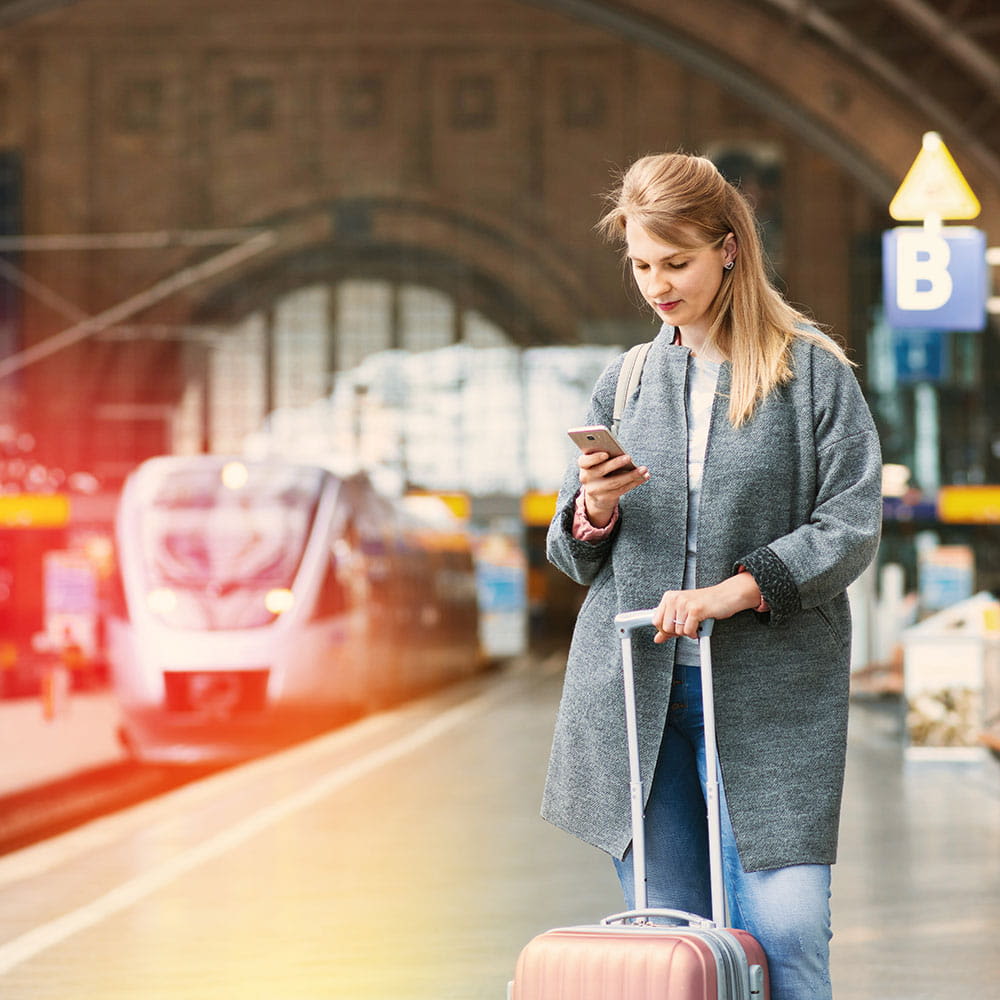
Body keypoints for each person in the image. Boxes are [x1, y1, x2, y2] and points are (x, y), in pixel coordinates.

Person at [543, 152, 882, 1000]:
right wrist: (595, 509)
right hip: (638, 700)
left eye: (676, 263)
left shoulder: (812, 375)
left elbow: (850, 525)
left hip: (772, 696)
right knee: (673, 952)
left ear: (728, 249)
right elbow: (572, 553)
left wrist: (736, 590)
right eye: (642, 265)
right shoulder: (624, 380)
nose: (658, 285)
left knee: (790, 932)